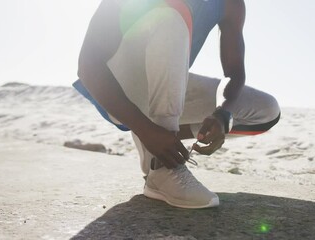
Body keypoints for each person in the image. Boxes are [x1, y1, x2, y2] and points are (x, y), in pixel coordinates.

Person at [75, 0, 280, 209]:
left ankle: (162, 143)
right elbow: (87, 66)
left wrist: (222, 112)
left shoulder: (230, 4)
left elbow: (234, 73)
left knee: (266, 110)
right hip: (118, 88)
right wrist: (143, 128)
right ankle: (163, 168)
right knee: (173, 12)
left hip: (165, 88)